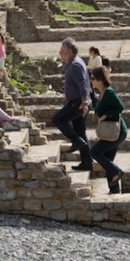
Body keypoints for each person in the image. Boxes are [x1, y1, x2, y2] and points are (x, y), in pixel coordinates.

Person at [53, 39, 95, 171]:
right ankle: (87, 162)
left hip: (78, 103)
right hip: (79, 101)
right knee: (80, 131)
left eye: (62, 51)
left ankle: (75, 140)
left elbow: (83, 85)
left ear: (70, 52)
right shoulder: (76, 62)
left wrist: (84, 103)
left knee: (58, 119)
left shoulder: (75, 65)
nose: (60, 53)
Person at [88, 65, 128, 194]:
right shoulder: (101, 93)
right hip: (111, 132)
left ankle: (117, 171)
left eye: (93, 78)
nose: (91, 80)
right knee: (107, 160)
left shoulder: (109, 92)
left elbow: (120, 107)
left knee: (94, 152)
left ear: (99, 79)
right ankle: (114, 189)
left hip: (117, 132)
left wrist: (105, 116)